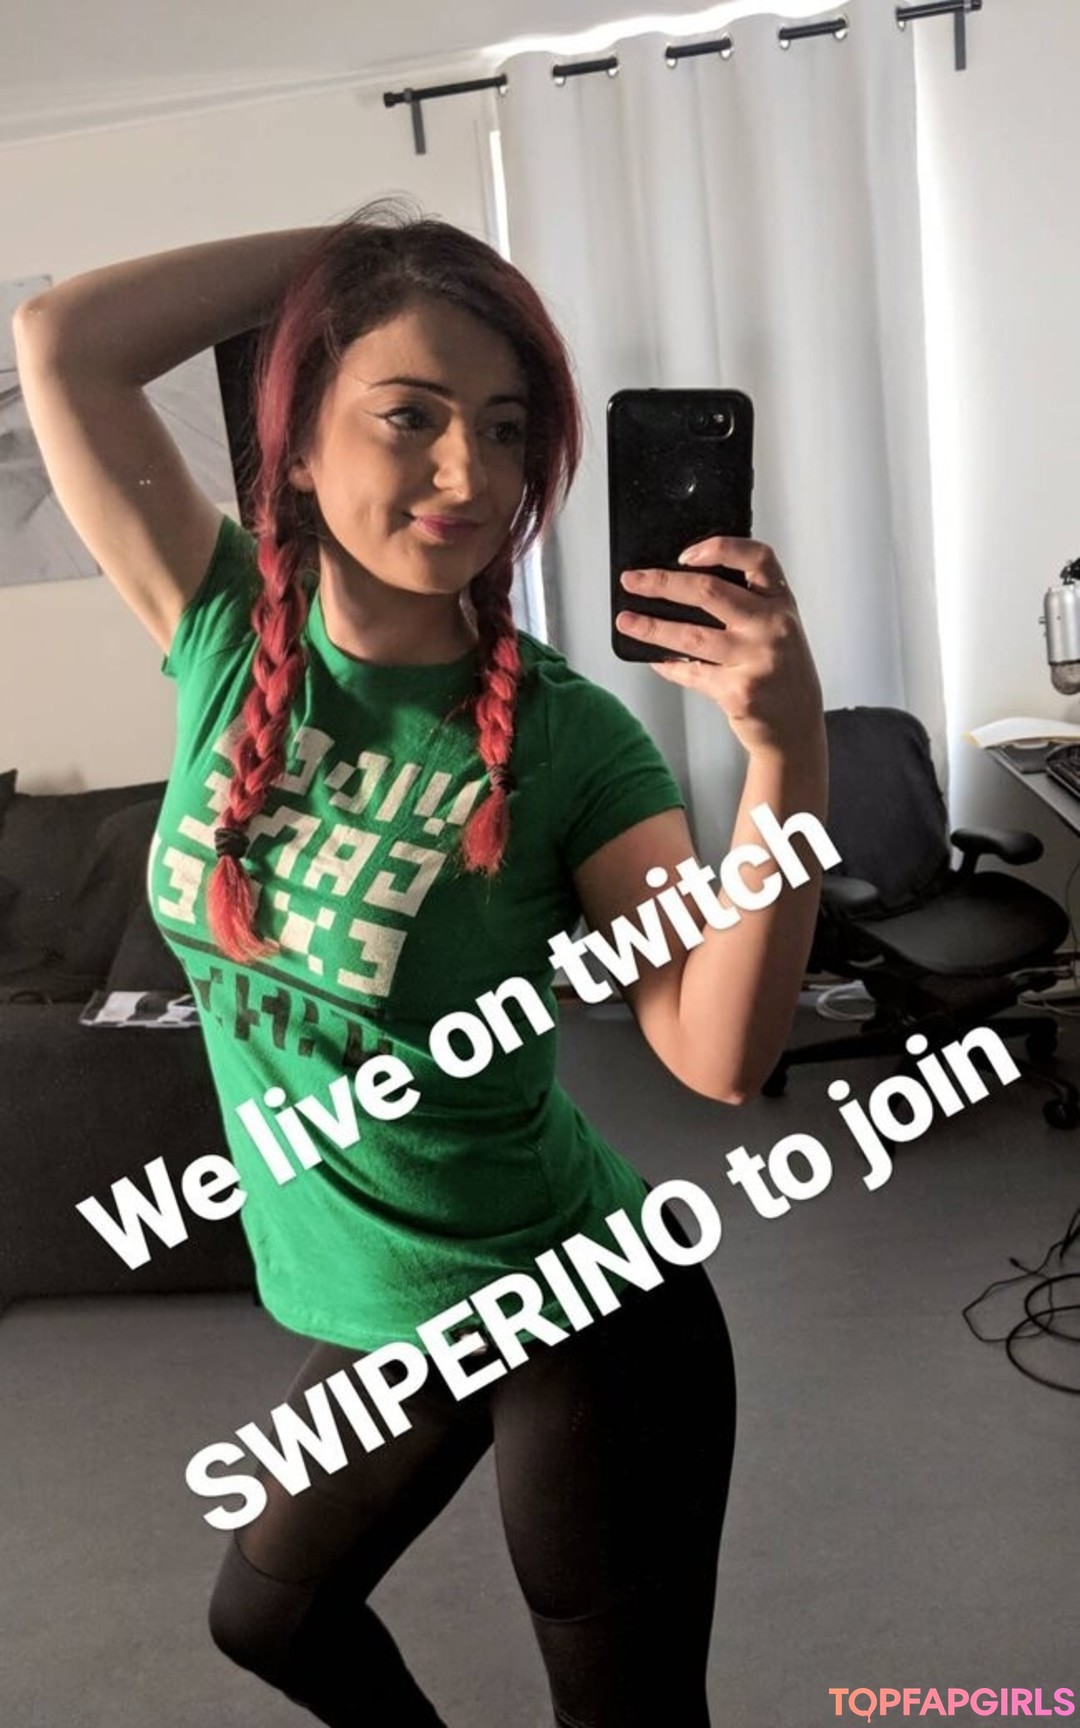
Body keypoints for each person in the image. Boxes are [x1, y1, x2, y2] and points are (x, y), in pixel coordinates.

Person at [13, 202, 827, 1728]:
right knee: (269, 1618)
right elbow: (62, 343)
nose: (470, 475)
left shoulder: (570, 740)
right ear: (295, 451)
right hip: (392, 1314)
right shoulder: (220, 631)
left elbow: (718, 1055)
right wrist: (362, 250)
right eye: (411, 416)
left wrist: (785, 754)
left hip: (583, 1310)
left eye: (507, 431)